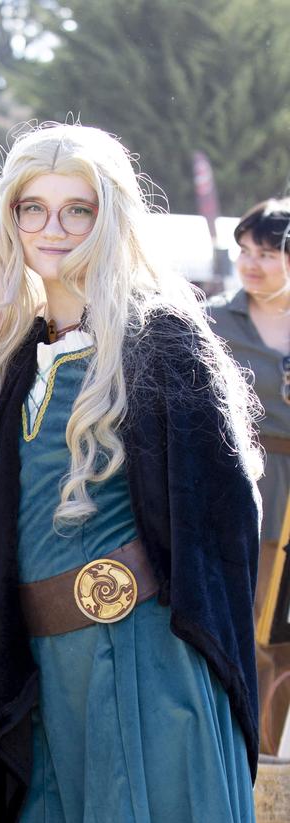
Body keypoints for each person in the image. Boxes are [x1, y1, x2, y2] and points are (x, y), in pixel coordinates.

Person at [0, 123, 285, 823]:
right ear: (10, 221)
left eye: (77, 210)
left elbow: (222, 521)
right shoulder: (7, 357)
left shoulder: (161, 338)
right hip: (46, 679)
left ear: (111, 219)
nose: (53, 229)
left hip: (148, 666)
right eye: (33, 209)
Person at [210, 198, 290, 753]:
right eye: (244, 251)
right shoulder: (213, 320)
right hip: (247, 486)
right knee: (252, 629)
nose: (251, 264)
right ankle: (249, 769)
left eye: (266, 252)